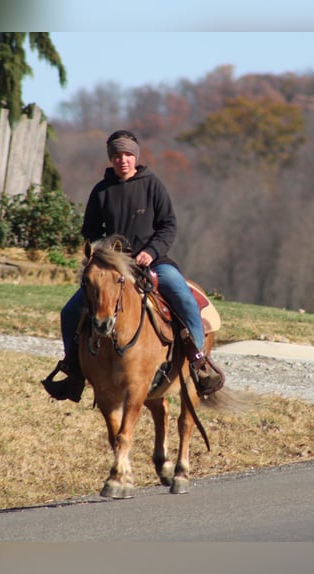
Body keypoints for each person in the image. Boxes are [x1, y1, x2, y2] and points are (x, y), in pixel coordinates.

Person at [42, 129, 224, 402]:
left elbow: (168, 226)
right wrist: (104, 252)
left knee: (184, 299)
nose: (122, 160)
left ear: (136, 157)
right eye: (117, 155)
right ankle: (73, 370)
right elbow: (90, 230)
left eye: (127, 154)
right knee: (69, 312)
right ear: (111, 158)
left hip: (154, 262)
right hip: (113, 269)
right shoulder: (101, 191)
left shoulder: (153, 185)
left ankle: (198, 363)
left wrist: (151, 252)